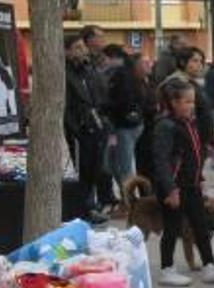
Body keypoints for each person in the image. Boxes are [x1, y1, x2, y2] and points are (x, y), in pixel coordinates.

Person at [152, 79, 214, 286]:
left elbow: (193, 156)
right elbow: (160, 160)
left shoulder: (189, 123)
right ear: (173, 102)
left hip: (192, 185)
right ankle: (167, 269)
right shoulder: (165, 126)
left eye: (193, 101)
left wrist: (199, 178)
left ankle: (210, 266)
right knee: (172, 228)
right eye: (187, 101)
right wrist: (170, 190)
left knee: (200, 226)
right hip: (174, 187)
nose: (192, 105)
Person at [64, 34, 110, 224]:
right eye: (77, 47)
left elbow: (99, 95)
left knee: (94, 170)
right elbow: (67, 106)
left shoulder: (88, 70)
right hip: (79, 131)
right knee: (82, 172)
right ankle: (83, 209)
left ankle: (90, 206)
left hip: (96, 127)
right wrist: (76, 129)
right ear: (65, 52)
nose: (82, 51)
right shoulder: (65, 73)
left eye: (83, 47)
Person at [107, 52, 151, 187]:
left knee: (123, 164)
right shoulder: (127, 78)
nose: (149, 65)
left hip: (127, 126)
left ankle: (129, 197)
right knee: (114, 162)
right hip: (124, 124)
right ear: (135, 65)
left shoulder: (142, 80)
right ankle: (126, 193)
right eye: (145, 62)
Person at [165, 47, 214, 159]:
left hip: (198, 140)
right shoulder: (176, 83)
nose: (200, 65)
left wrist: (209, 140)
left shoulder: (192, 83)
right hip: (186, 141)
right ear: (183, 62)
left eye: (201, 62)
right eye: (195, 61)